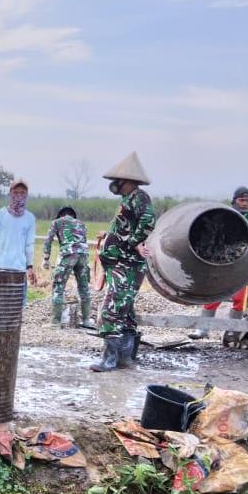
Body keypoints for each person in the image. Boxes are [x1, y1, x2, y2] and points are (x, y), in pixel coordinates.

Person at [92, 152, 156, 372]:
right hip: (120, 264)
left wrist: (132, 242)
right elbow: (126, 227)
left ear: (127, 181)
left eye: (118, 182)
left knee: (112, 311)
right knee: (125, 311)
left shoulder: (139, 197)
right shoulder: (128, 201)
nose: (115, 185)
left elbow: (148, 221)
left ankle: (110, 359)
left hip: (127, 265)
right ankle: (125, 359)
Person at [189, 186, 248, 339]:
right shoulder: (225, 214)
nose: (244, 203)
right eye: (241, 200)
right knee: (213, 295)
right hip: (220, 261)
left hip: (241, 263)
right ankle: (203, 329)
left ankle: (232, 331)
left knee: (239, 299)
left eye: (247, 201)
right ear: (234, 200)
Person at [43, 206, 93, 328]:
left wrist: (46, 258)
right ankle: (87, 320)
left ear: (61, 215)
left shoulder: (57, 222)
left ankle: (55, 322)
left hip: (68, 254)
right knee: (84, 288)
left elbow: (48, 240)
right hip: (84, 255)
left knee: (58, 286)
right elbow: (83, 241)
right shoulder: (81, 224)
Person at [0, 179, 37, 288]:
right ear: (10, 194)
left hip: (19, 269)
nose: (19, 196)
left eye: (22, 193)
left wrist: (29, 266)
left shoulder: (29, 218)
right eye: (16, 192)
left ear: (26, 195)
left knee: (17, 302)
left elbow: (29, 244)